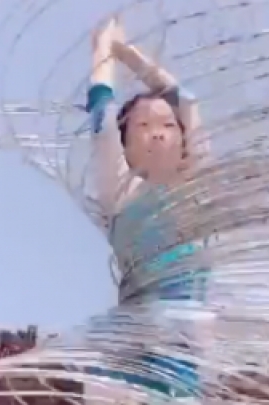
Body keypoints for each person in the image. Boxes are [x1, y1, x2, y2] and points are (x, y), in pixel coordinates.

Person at [85, 17, 215, 401]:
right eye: (142, 125)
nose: (157, 132)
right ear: (126, 144)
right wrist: (102, 48)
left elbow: (186, 101)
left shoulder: (197, 191)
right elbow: (102, 113)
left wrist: (128, 54)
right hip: (124, 368)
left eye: (168, 125)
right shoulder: (121, 192)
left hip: (182, 371)